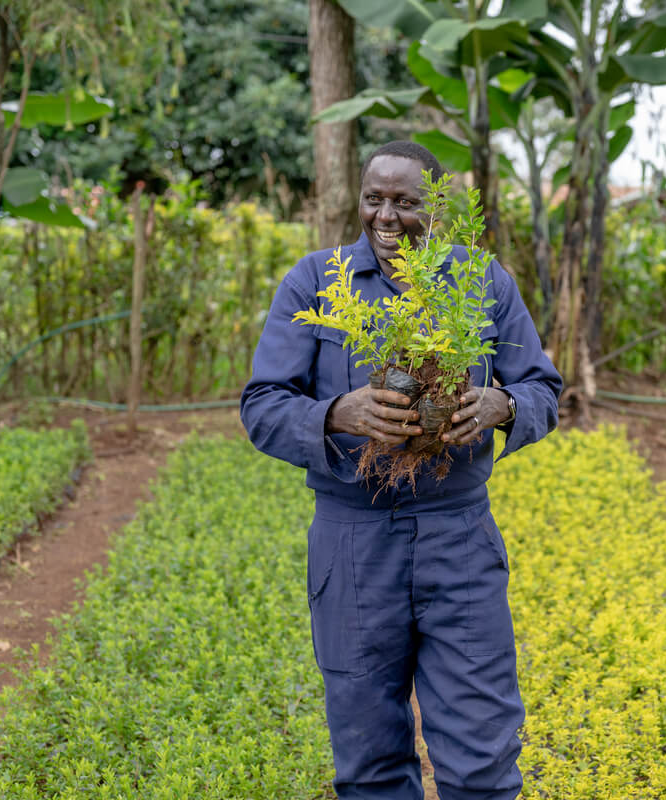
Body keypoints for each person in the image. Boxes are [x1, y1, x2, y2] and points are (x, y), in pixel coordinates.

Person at [240, 140, 562, 800]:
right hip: (354, 542)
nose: (386, 216)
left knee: (482, 758)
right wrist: (340, 413)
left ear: (436, 211)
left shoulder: (478, 281)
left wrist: (501, 403)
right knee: (370, 763)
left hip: (459, 537)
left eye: (405, 202)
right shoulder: (316, 281)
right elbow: (262, 405)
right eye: (373, 199)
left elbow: (542, 387)